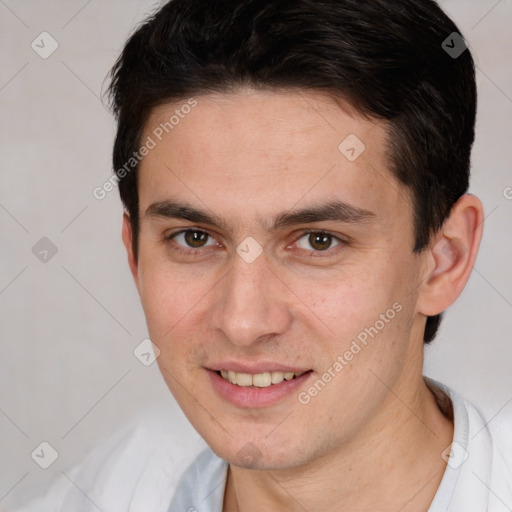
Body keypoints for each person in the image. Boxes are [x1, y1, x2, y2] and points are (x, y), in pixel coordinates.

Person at [20, 0, 512, 511]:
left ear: (443, 259)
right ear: (135, 255)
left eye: (318, 240)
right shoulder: (107, 491)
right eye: (194, 238)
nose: (243, 322)